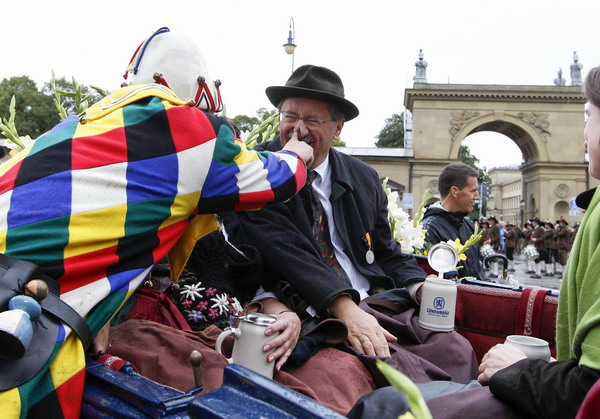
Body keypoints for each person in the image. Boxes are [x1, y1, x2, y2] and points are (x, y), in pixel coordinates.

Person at [0, 27, 314, 417]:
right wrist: (297, 153)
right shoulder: (190, 129)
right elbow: (275, 179)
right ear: (199, 92)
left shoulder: (69, 128)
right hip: (24, 327)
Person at [222, 65, 478, 385]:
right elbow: (286, 250)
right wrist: (346, 311)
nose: (298, 130)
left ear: (338, 128)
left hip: (375, 302)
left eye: (312, 120)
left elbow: (386, 252)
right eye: (290, 116)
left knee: (453, 349)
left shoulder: (363, 177)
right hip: (311, 310)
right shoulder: (257, 170)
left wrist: (419, 287)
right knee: (391, 372)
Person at [421, 163, 486, 280]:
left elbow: (477, 272)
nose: (477, 197)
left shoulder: (468, 225)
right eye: (473, 191)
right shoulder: (429, 229)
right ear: (455, 191)